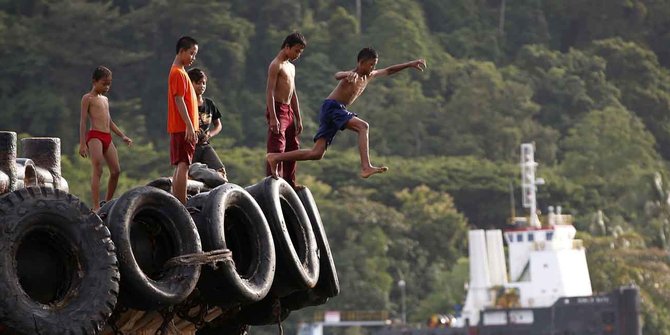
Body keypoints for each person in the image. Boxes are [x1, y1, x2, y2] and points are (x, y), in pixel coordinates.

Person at [267, 48, 426, 178]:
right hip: (332, 107)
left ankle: (275, 157)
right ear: (360, 63)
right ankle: (366, 166)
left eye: (374, 65)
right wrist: (347, 74)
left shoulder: (369, 75)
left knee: (316, 153)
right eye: (370, 65)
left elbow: (389, 70)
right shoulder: (352, 75)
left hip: (335, 110)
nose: (372, 68)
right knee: (363, 127)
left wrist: (410, 64)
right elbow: (337, 75)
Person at [79, 66, 133, 211]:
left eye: (109, 83)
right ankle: (96, 206)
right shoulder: (87, 98)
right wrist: (82, 144)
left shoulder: (105, 99)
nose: (107, 87)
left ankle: (107, 203)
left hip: (107, 136)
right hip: (94, 136)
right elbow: (83, 121)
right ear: (94, 81)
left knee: (116, 171)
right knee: (98, 169)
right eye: (104, 83)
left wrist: (122, 136)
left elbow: (109, 122)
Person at [265, 32, 306, 189]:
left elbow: (293, 93)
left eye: (300, 52)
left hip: (288, 110)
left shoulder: (291, 67)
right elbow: (269, 91)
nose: (298, 55)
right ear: (287, 47)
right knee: (277, 146)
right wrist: (273, 117)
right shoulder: (276, 65)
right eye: (296, 50)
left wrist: (298, 117)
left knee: (292, 147)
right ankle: (272, 181)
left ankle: (290, 183)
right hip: (277, 108)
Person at [167, 36, 199, 204]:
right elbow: (179, 100)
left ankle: (177, 200)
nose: (193, 57)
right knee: (184, 164)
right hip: (182, 127)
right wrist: (188, 125)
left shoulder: (181, 72)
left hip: (183, 127)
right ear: (181, 51)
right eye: (191, 53)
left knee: (181, 164)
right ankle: (182, 202)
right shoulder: (178, 73)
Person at [187, 68, 227, 182]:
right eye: (198, 83)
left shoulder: (209, 104)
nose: (202, 86)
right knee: (191, 176)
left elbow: (218, 125)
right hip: (191, 147)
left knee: (221, 173)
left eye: (204, 83)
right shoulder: (187, 104)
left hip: (204, 145)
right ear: (190, 84)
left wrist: (209, 134)